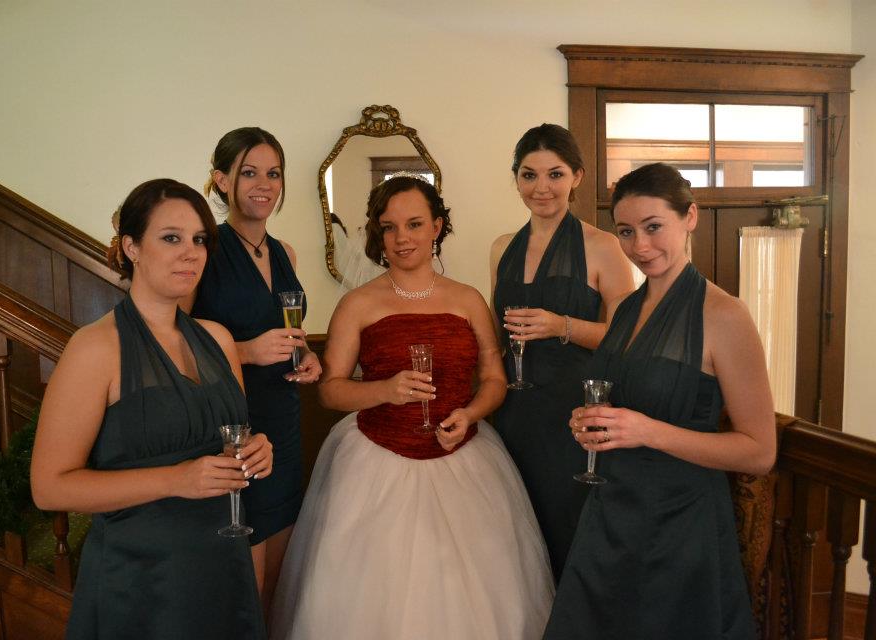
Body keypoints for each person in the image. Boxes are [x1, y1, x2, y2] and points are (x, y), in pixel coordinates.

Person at [270, 176, 553, 639]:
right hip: (376, 461)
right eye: (389, 227)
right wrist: (384, 390)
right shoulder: (358, 303)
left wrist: (470, 414)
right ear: (378, 234)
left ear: (437, 226)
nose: (402, 238)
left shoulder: (468, 300)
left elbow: (495, 379)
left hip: (466, 459)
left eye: (415, 224)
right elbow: (331, 391)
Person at [30, 179, 273, 639]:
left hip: (222, 565)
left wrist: (258, 449)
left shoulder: (219, 339)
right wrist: (175, 479)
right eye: (171, 238)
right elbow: (49, 488)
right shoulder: (95, 348)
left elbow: (234, 439)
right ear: (132, 247)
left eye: (199, 239)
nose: (191, 253)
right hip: (143, 581)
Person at [544, 163, 776, 639]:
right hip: (609, 514)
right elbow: (621, 400)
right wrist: (586, 421)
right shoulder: (627, 309)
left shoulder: (725, 315)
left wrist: (647, 431)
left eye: (653, 227)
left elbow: (759, 452)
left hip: (680, 526)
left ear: (689, 217)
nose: (640, 246)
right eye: (626, 232)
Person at [490, 123, 634, 581]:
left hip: (574, 412)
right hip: (513, 410)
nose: (541, 187)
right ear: (516, 178)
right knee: (516, 531)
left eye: (555, 174)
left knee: (569, 527)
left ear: (577, 177)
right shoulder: (501, 248)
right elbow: (496, 334)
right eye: (529, 175)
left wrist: (561, 326)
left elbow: (627, 338)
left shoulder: (603, 246)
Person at [187, 127, 321, 617]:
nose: (264, 184)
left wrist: (309, 355)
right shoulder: (204, 250)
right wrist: (244, 351)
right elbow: (174, 342)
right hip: (233, 425)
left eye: (273, 173)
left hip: (284, 417)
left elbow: (289, 332)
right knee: (245, 579)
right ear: (222, 180)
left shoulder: (285, 252)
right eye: (249, 173)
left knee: (279, 581)